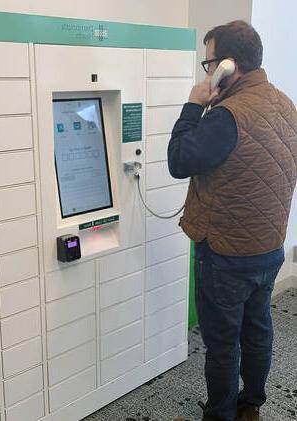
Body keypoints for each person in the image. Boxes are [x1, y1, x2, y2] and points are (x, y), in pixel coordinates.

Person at [168, 20, 297, 421]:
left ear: (227, 65)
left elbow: (179, 161)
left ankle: (219, 414)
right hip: (269, 248)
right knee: (258, 329)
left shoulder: (227, 116)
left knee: (223, 343)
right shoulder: (285, 103)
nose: (206, 73)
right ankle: (251, 405)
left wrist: (194, 105)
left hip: (225, 254)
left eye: (209, 64)